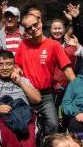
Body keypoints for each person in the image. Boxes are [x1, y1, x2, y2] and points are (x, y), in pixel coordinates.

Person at [15, 10, 76, 139]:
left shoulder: (54, 45)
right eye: (29, 28)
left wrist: (78, 89)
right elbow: (16, 65)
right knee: (24, 125)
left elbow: (67, 69)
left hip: (45, 95)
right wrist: (17, 70)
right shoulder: (23, 45)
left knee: (53, 125)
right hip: (26, 94)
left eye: (35, 24)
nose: (33, 29)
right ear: (25, 31)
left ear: (40, 22)